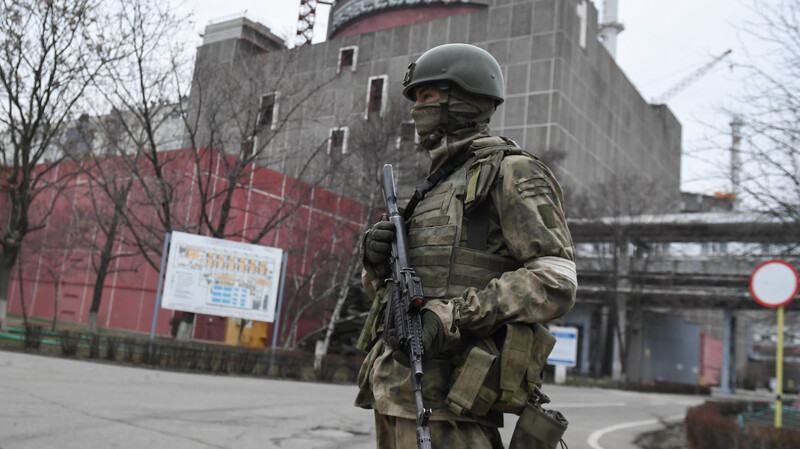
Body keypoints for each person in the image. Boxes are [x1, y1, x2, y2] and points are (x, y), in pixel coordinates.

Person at [354, 43, 577, 449]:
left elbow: (556, 279)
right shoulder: (431, 190)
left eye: (426, 96)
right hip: (395, 394)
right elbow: (391, 296)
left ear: (464, 98)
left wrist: (451, 316)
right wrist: (374, 266)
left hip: (456, 403)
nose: (415, 109)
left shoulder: (512, 171)